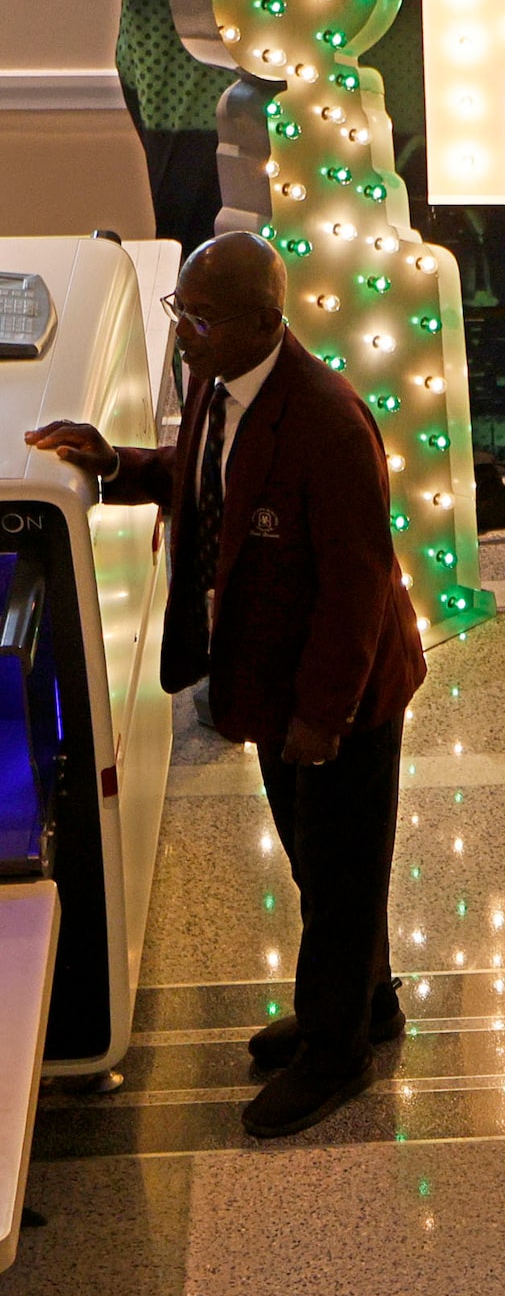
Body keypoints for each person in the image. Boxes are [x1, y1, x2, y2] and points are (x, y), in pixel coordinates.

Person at [27, 232, 424, 1137]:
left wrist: (322, 719)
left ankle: (337, 1053)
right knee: (325, 862)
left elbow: (358, 587)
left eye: (199, 319)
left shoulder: (327, 420)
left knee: (338, 870)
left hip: (341, 696)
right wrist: (122, 464)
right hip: (273, 683)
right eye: (182, 314)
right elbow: (209, 481)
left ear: (265, 323)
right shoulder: (218, 381)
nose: (184, 335)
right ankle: (369, 1004)